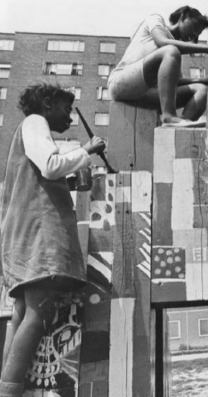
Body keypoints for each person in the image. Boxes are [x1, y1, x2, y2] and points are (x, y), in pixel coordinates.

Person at [0, 83, 105, 396]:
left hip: (22, 232)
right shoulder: (35, 123)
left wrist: (74, 174)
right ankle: (9, 391)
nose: (70, 119)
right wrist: (86, 151)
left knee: (21, 313)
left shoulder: (27, 134)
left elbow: (44, 175)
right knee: (40, 311)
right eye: (65, 109)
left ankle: (6, 386)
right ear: (46, 103)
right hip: (40, 232)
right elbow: (50, 165)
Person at [107, 5, 208, 128]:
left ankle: (175, 130)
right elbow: (162, 42)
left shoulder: (173, 54)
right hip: (121, 84)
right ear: (183, 16)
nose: (194, 35)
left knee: (201, 90)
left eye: (197, 35)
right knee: (171, 50)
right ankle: (169, 117)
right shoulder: (156, 20)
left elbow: (173, 82)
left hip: (147, 94)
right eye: (195, 27)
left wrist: (205, 80)